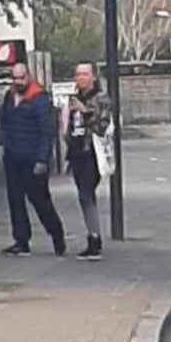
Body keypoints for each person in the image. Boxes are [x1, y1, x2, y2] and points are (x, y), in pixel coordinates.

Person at [0, 61, 65, 256]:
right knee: (15, 200)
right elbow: (5, 121)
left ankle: (56, 234)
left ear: (29, 76)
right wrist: (3, 144)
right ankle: (21, 240)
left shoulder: (39, 99)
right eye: (15, 78)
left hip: (33, 159)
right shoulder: (9, 97)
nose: (18, 82)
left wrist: (42, 159)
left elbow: (47, 131)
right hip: (13, 157)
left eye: (21, 78)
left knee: (40, 200)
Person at [63, 62, 114, 259]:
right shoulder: (74, 98)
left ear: (93, 77)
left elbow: (103, 125)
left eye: (85, 74)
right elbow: (70, 127)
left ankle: (95, 238)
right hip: (77, 151)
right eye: (78, 74)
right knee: (83, 195)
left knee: (86, 192)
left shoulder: (100, 98)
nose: (81, 78)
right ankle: (93, 234)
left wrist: (86, 113)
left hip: (92, 152)